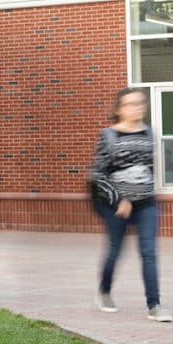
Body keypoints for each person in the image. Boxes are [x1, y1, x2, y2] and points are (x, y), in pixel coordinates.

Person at [91, 88, 171, 322]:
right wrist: (119, 199)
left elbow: (149, 168)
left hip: (146, 204)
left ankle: (154, 305)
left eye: (140, 103)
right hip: (115, 206)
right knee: (115, 250)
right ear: (119, 108)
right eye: (130, 103)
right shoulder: (108, 135)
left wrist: (152, 196)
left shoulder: (149, 133)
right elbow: (98, 174)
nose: (137, 107)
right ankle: (104, 290)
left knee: (148, 253)